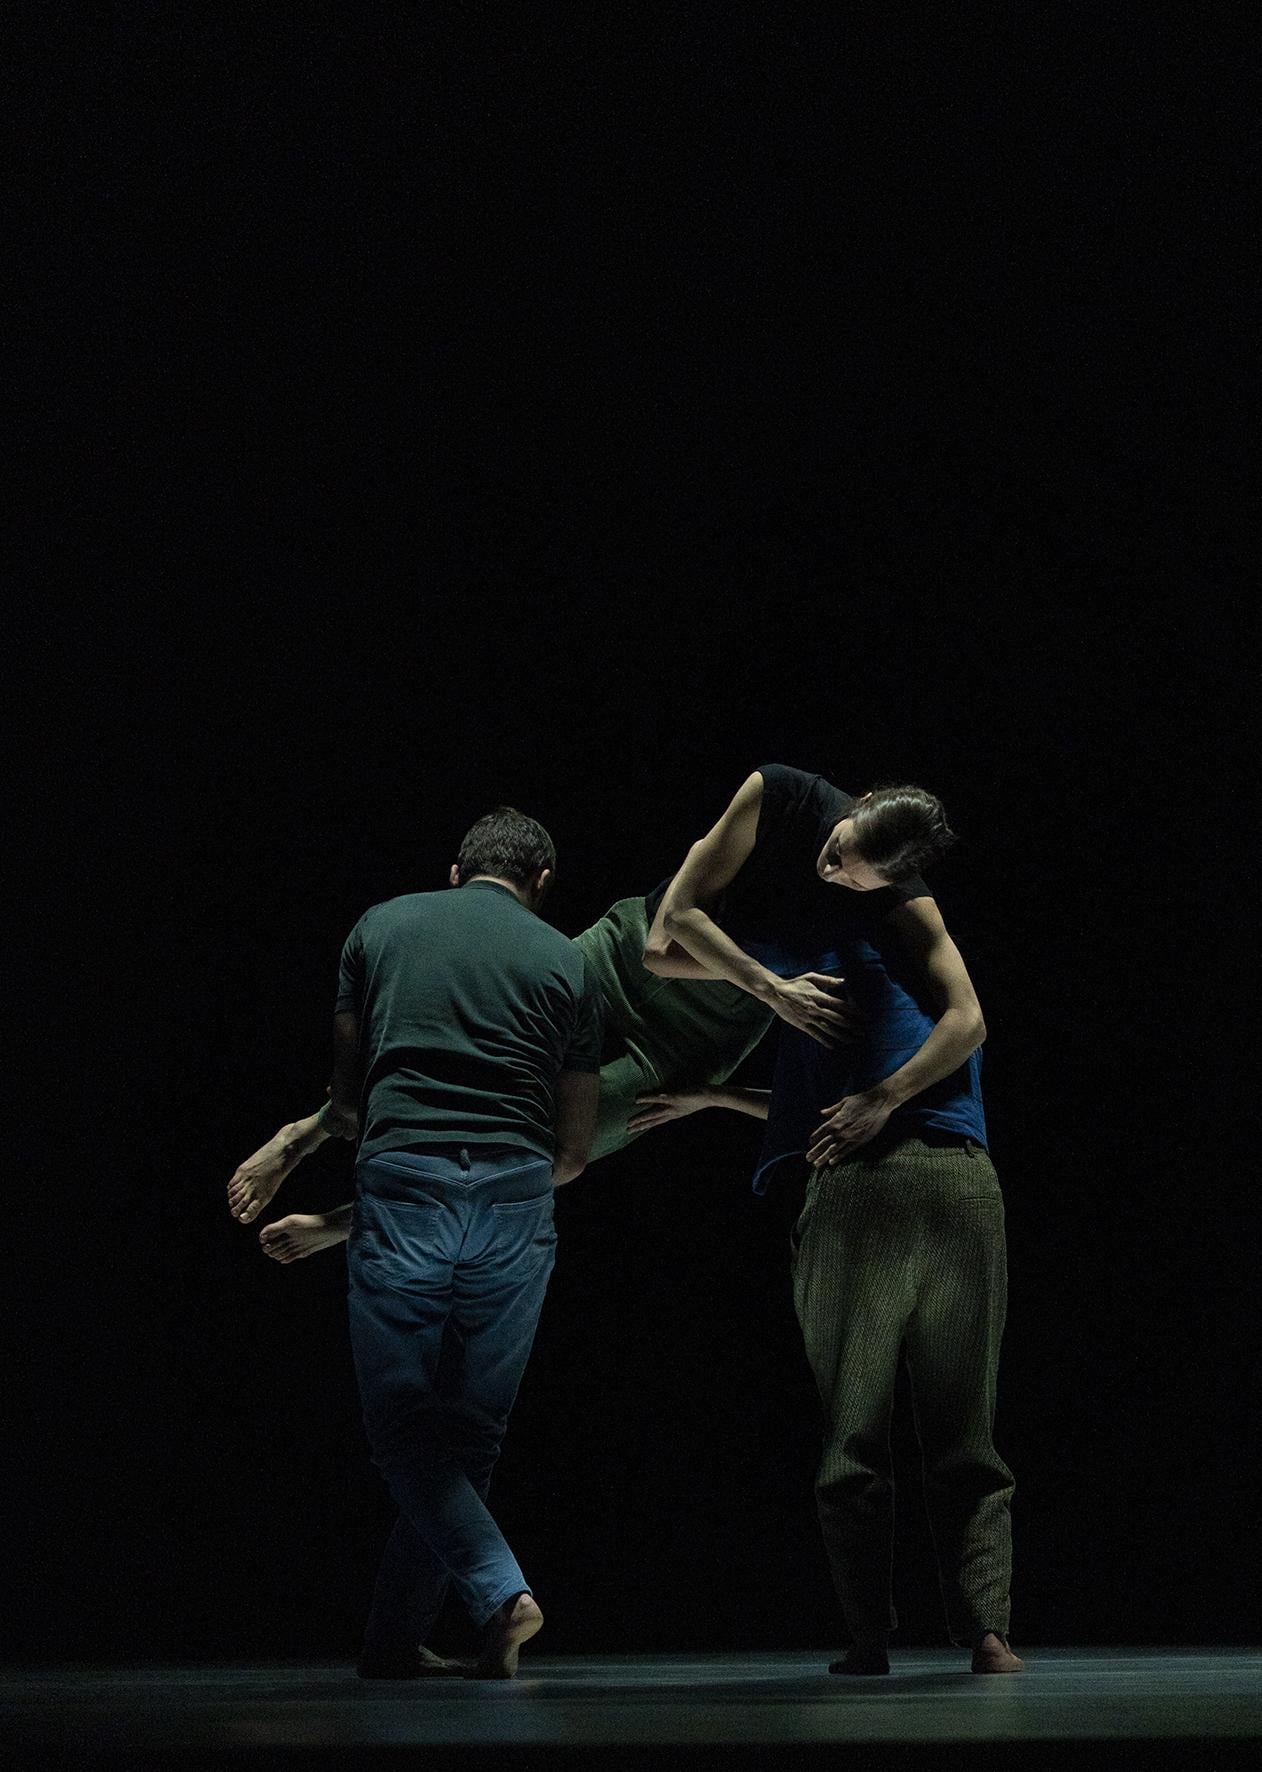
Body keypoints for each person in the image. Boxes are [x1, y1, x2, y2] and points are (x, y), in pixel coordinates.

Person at [640, 763, 1022, 1677]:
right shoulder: (881, 954)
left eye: (851, 868)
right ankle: (986, 1633)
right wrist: (717, 1098)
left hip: (864, 1195)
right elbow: (847, 1092)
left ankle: (870, 1636)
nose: (833, 870)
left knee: (856, 1436)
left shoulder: (812, 947)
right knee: (962, 1432)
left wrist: (867, 1093)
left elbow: (661, 948)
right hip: (960, 1183)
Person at [242, 805, 608, 1682]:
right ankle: (394, 1642)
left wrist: (306, 1150)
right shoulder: (567, 959)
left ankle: (502, 1593)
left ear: (455, 871)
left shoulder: (381, 926)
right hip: (520, 1193)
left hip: (405, 1178)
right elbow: (576, 1148)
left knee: (405, 1427)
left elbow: (351, 1100)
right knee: (469, 1433)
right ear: (541, 884)